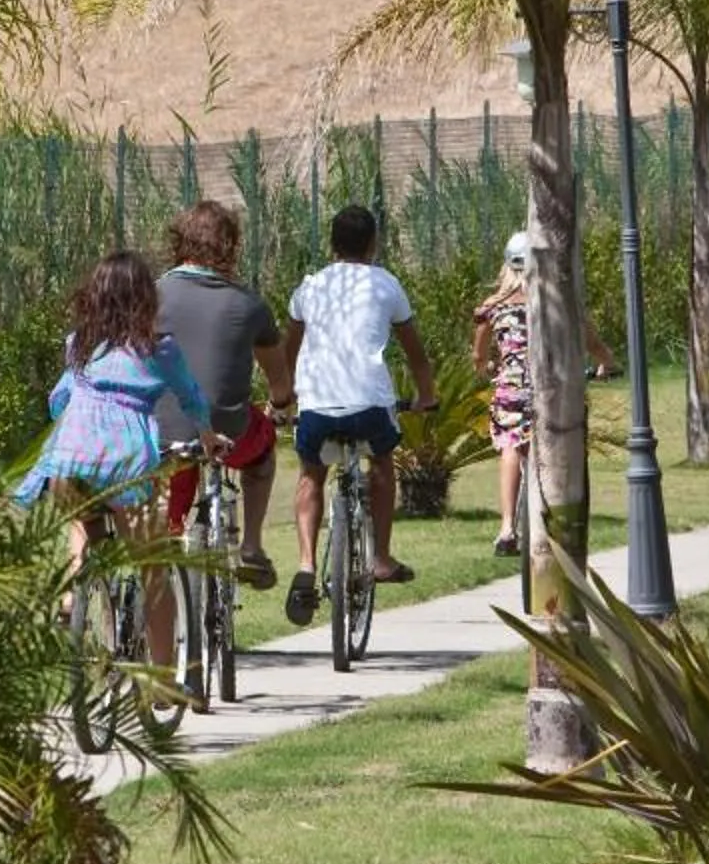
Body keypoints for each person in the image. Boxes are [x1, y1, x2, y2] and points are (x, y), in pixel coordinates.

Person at [15, 250, 217, 668]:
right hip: (126, 465)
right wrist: (208, 436)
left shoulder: (79, 345)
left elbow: (59, 401)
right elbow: (192, 399)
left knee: (81, 518)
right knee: (153, 569)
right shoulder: (159, 349)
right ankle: (161, 681)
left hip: (68, 463)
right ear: (146, 299)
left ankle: (74, 592)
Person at [280, 204, 437, 628]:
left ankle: (308, 565)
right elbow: (416, 354)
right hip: (369, 401)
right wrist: (426, 396)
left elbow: (288, 349)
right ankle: (381, 557)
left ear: (332, 244)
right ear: (373, 244)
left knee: (312, 473)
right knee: (382, 463)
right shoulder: (386, 284)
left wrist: (287, 395)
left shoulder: (309, 287)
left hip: (317, 403)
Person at [156, 201, 294, 588]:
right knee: (262, 450)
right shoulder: (249, 304)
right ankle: (251, 546)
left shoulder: (151, 295)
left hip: (163, 430)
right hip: (229, 429)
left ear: (180, 242)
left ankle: (168, 552)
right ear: (230, 247)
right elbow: (278, 377)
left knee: (176, 470)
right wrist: (280, 406)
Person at [471, 230, 615, 559]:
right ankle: (561, 519)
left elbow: (478, 356)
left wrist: (487, 365)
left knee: (510, 446)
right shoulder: (558, 304)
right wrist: (607, 361)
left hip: (511, 388)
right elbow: (590, 340)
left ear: (507, 266)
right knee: (563, 446)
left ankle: (507, 527)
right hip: (552, 387)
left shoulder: (491, 308)